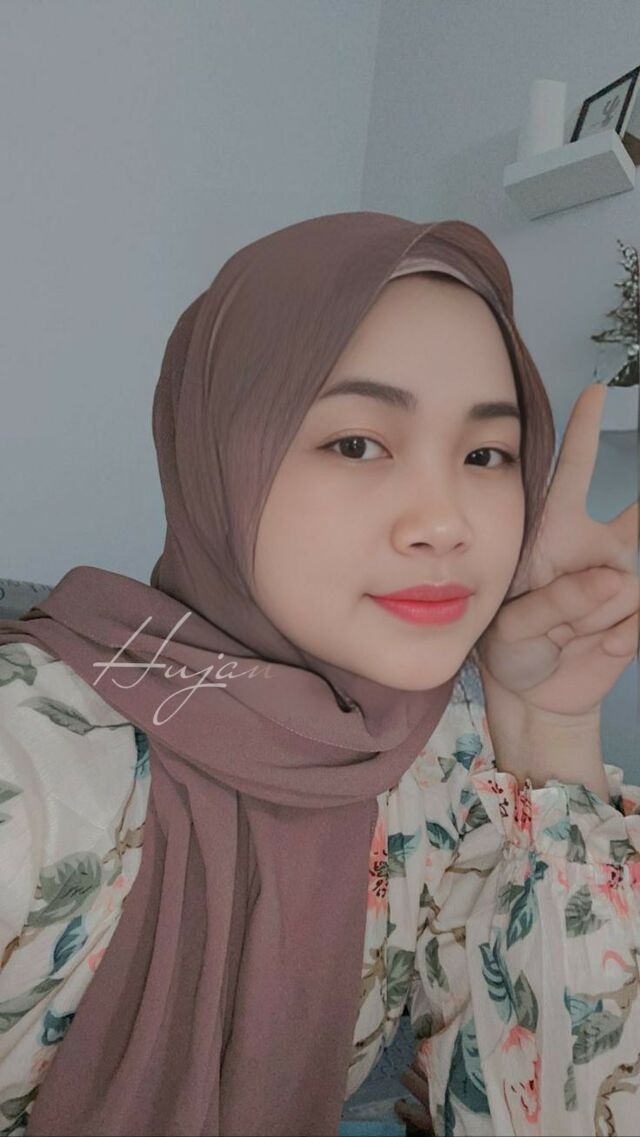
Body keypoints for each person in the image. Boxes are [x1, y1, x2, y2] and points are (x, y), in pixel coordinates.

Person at [0, 211, 638, 1137]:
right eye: (357, 443)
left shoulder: (443, 762)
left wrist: (550, 724)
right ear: (221, 454)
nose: (445, 521)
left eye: (486, 455)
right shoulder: (33, 771)